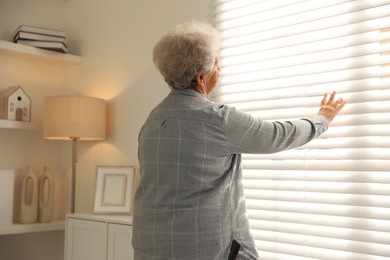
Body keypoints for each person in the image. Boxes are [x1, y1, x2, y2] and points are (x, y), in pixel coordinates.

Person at [132, 21, 345, 260]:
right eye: (217, 65)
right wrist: (321, 119)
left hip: (150, 243)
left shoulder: (152, 121)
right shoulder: (216, 120)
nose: (220, 71)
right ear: (202, 77)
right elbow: (276, 135)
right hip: (200, 248)